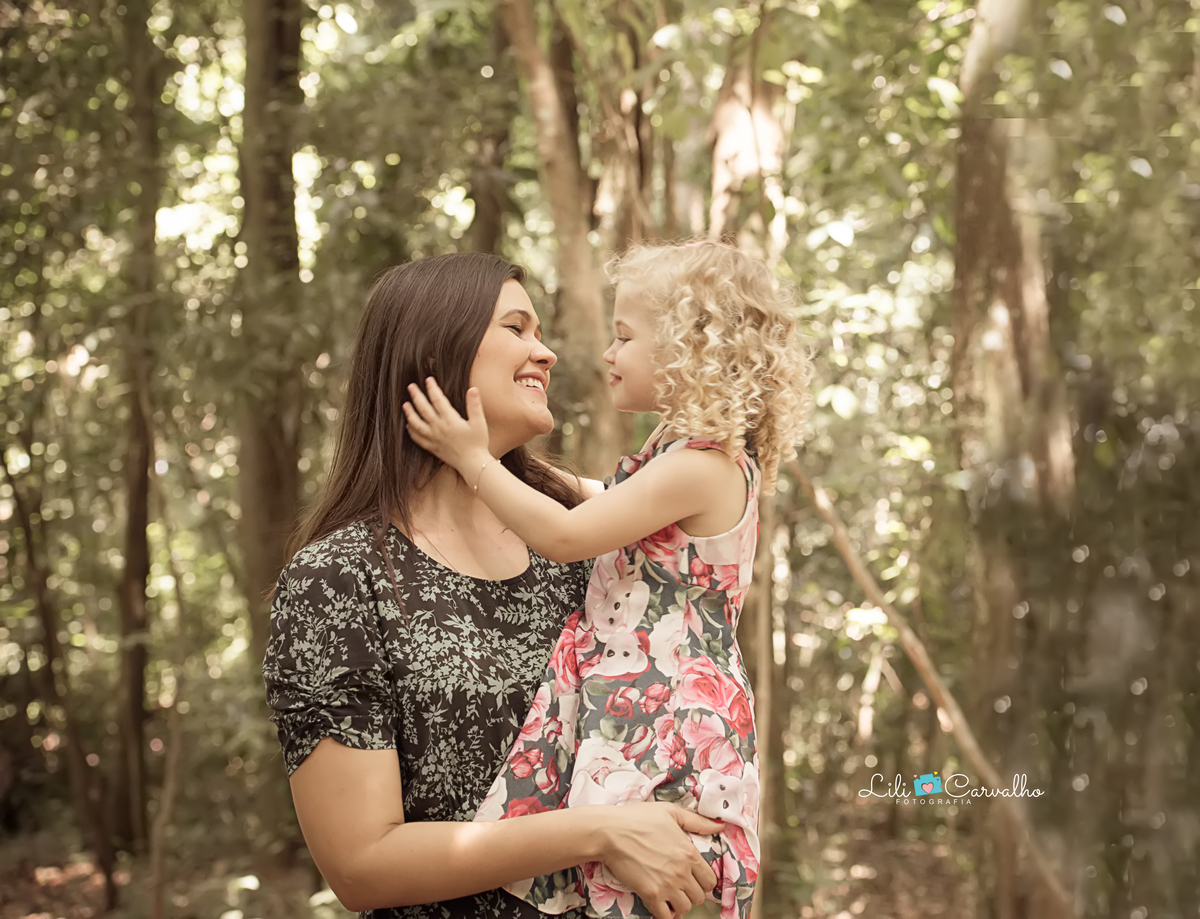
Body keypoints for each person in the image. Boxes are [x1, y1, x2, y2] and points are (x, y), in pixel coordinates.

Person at [263, 252, 724, 919]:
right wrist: (602, 829)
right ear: (436, 350)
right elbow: (361, 865)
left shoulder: (583, 543)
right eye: (517, 327)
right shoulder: (338, 578)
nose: (548, 353)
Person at [403, 241, 811, 919]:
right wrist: (536, 472)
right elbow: (604, 497)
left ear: (688, 350)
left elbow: (568, 534)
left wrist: (475, 461)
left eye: (624, 337)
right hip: (639, 688)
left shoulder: (702, 466)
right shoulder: (676, 456)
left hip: (669, 710)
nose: (607, 354)